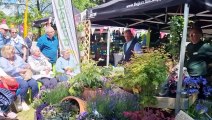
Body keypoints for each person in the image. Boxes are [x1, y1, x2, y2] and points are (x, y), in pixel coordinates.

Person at [0, 45, 38, 111]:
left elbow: (23, 64)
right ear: (6, 53)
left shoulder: (17, 57)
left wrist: (27, 65)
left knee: (34, 83)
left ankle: (34, 99)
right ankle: (21, 101)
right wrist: (20, 70)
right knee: (24, 84)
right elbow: (8, 70)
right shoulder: (2, 60)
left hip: (23, 76)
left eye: (13, 50)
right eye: (12, 51)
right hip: (12, 77)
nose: (14, 52)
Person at [185, 26, 212, 98]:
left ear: (200, 35)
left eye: (193, 34)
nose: (191, 36)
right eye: (190, 34)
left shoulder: (206, 47)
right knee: (190, 98)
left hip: (201, 77)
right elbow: (188, 58)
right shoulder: (189, 46)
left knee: (200, 98)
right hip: (189, 76)